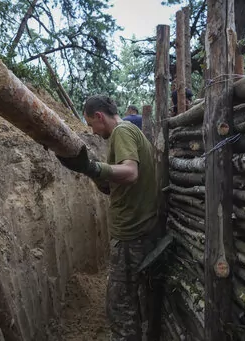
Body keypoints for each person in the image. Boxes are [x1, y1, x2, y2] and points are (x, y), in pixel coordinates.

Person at [57, 95, 160, 341]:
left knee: (119, 307)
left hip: (132, 236)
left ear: (100, 116)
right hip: (138, 232)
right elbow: (117, 185)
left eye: (91, 123)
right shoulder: (128, 133)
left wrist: (93, 168)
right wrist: (92, 172)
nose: (92, 129)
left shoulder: (122, 132)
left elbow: (131, 173)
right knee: (134, 301)